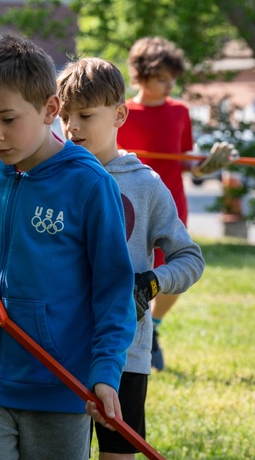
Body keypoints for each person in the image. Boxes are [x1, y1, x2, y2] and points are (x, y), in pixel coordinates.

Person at [0, 33, 136, 460]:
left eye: (7, 119)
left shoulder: (90, 185)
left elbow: (113, 290)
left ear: (50, 109)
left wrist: (105, 372)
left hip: (61, 389)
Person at [57, 57, 205, 460]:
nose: (72, 127)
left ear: (120, 114)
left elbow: (190, 258)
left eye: (85, 115)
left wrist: (151, 283)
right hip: (58, 346)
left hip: (125, 351)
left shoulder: (146, 185)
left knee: (118, 451)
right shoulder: (50, 178)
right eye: (64, 115)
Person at [117, 36, 235, 370]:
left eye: (173, 79)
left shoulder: (179, 111)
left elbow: (189, 160)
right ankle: (126, 332)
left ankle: (152, 327)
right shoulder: (122, 112)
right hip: (128, 202)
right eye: (161, 79)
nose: (169, 86)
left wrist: (208, 165)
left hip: (170, 201)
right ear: (140, 76)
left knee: (173, 266)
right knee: (131, 265)